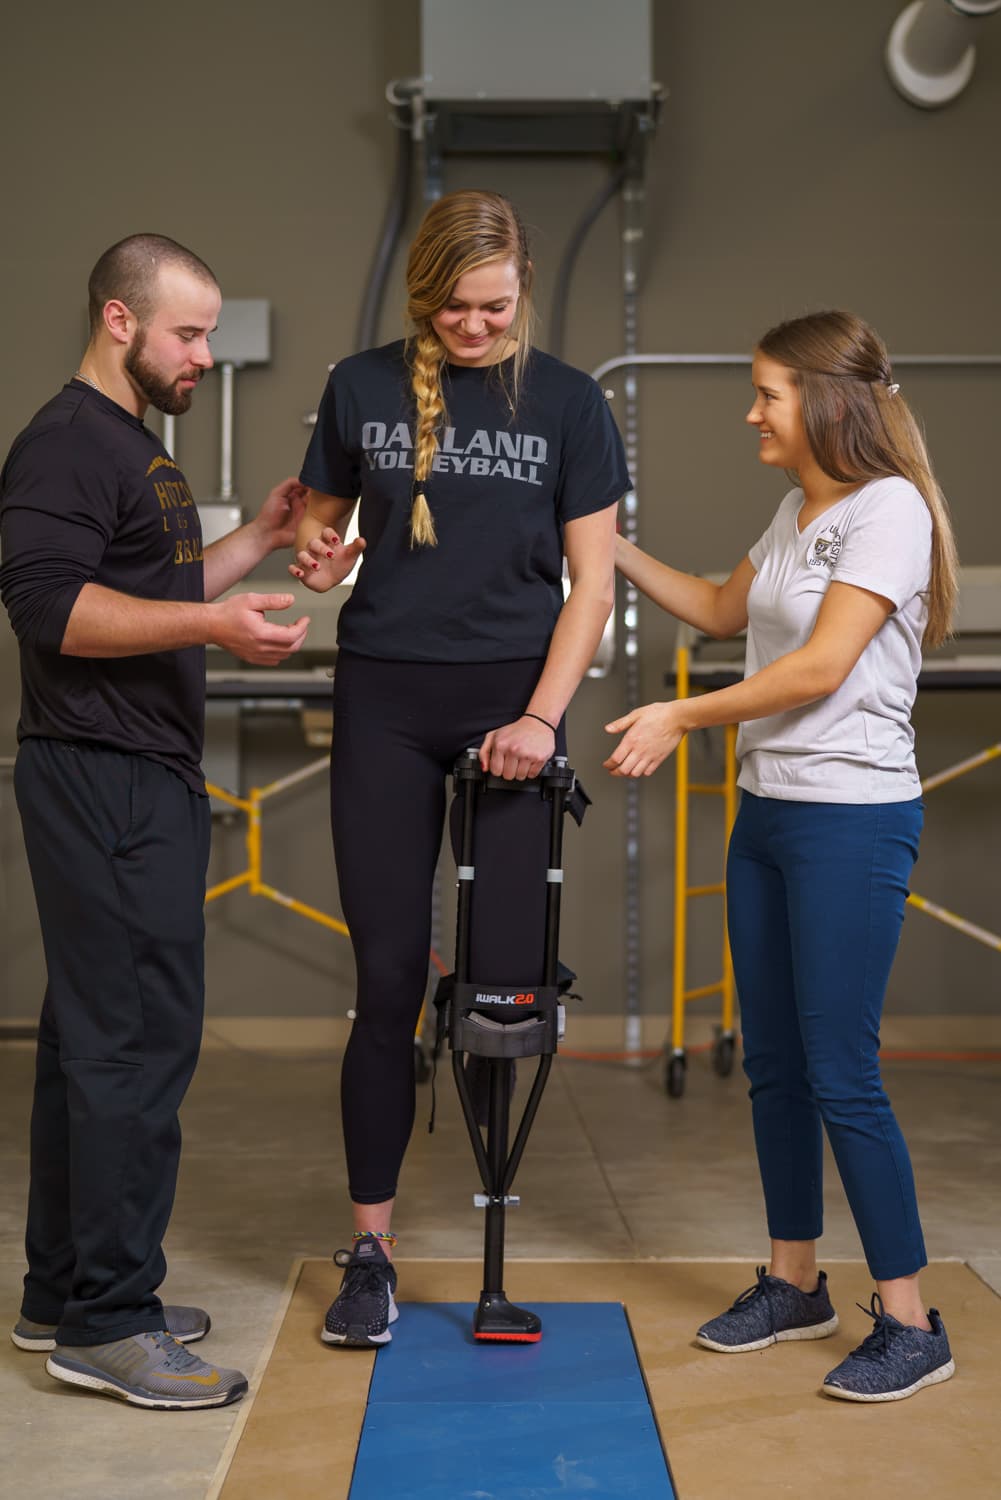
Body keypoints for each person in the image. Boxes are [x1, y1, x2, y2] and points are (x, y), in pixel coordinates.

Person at [291, 189, 628, 1348]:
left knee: (501, 996)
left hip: (510, 712)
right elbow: (321, 538)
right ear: (420, 291)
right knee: (386, 980)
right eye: (451, 307)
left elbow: (592, 586)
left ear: (521, 290)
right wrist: (313, 550)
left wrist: (540, 717)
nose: (472, 326)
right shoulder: (358, 385)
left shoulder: (573, 405)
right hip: (383, 697)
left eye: (493, 306)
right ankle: (371, 1251)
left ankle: (492, 1252)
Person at [606, 309, 959, 1403]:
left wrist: (678, 718)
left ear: (824, 401)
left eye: (765, 393)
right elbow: (721, 607)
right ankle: (792, 1281)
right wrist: (603, 545)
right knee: (771, 1064)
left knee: (840, 1072)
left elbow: (818, 669)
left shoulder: (888, 511)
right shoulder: (796, 508)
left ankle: (908, 1319)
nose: (749, 410)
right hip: (765, 813)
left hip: (849, 819)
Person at [0, 233, 312, 1409]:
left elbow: (152, 591)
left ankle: (64, 1293)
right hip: (106, 776)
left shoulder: (135, 449)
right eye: (188, 334)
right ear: (120, 323)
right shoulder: (67, 443)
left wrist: (261, 542)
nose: (204, 357)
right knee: (135, 1041)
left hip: (126, 773)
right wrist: (218, 633)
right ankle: (115, 1323)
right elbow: (49, 612)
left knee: (90, 1037)